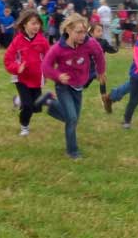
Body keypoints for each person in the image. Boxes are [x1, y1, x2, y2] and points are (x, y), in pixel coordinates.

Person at [41, 14, 108, 160]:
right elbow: (45, 66)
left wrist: (101, 71)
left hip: (79, 86)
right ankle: (72, 151)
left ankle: (50, 103)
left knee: (74, 119)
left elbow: (99, 55)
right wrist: (58, 76)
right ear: (68, 30)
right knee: (71, 118)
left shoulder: (89, 43)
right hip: (63, 86)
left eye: (84, 31)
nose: (83, 35)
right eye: (78, 32)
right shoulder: (58, 48)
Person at [2, 8, 49, 136]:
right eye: (33, 23)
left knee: (36, 107)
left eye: (38, 23)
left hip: (36, 78)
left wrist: (48, 72)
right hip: (21, 78)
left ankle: (18, 100)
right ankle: (24, 126)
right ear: (24, 24)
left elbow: (48, 58)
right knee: (28, 106)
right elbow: (7, 59)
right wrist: (17, 68)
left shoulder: (43, 41)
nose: (36, 26)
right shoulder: (17, 40)